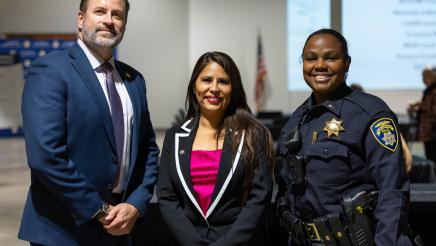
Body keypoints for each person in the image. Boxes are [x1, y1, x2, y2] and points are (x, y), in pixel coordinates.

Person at [18, 0, 160, 245]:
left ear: (124, 24)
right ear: (81, 19)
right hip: (64, 230)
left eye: (117, 14)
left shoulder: (134, 80)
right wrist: (98, 210)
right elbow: (45, 156)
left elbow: (148, 149)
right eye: (100, 11)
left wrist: (136, 204)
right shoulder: (50, 71)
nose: (108, 20)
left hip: (122, 226)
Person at [276, 29, 411, 245]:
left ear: (347, 63)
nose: (320, 65)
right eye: (311, 58)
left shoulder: (370, 113)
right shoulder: (295, 121)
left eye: (330, 57)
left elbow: (392, 191)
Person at [157, 51, 274, 245]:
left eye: (223, 82)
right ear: (195, 86)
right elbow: (166, 196)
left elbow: (259, 198)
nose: (214, 88)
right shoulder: (174, 136)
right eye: (207, 80)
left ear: (233, 89)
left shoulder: (254, 134)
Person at [408, 67, 436, 164]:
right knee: (429, 156)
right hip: (427, 132)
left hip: (433, 132)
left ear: (433, 76)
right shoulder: (429, 90)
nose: (423, 79)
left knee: (433, 157)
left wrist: (419, 105)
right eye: (422, 76)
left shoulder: (434, 90)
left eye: (425, 76)